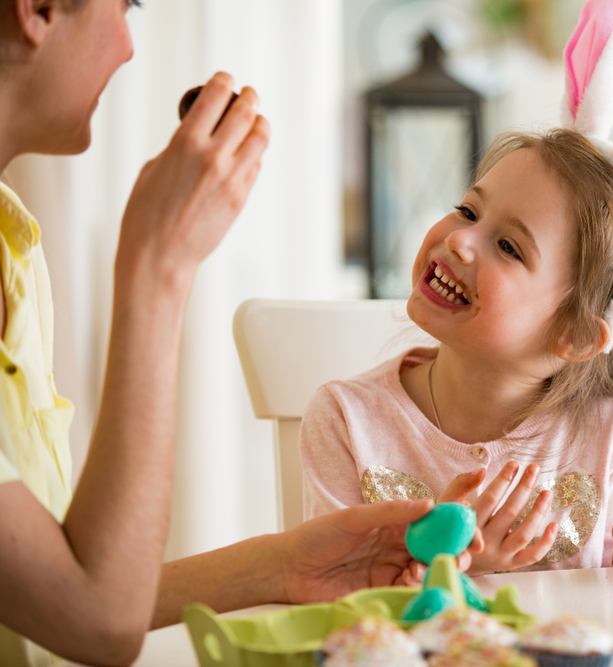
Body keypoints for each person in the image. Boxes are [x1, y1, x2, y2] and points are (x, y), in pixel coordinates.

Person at [0, 1, 478, 665]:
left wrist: (279, 567)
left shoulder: (13, 242)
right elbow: (97, 621)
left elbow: (50, 593)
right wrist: (158, 264)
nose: (129, 48)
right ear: (40, 10)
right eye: (124, 6)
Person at [299, 0, 613, 577]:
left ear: (573, 334)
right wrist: (462, 571)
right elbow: (334, 610)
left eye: (508, 247)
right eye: (467, 210)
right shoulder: (348, 420)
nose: (461, 242)